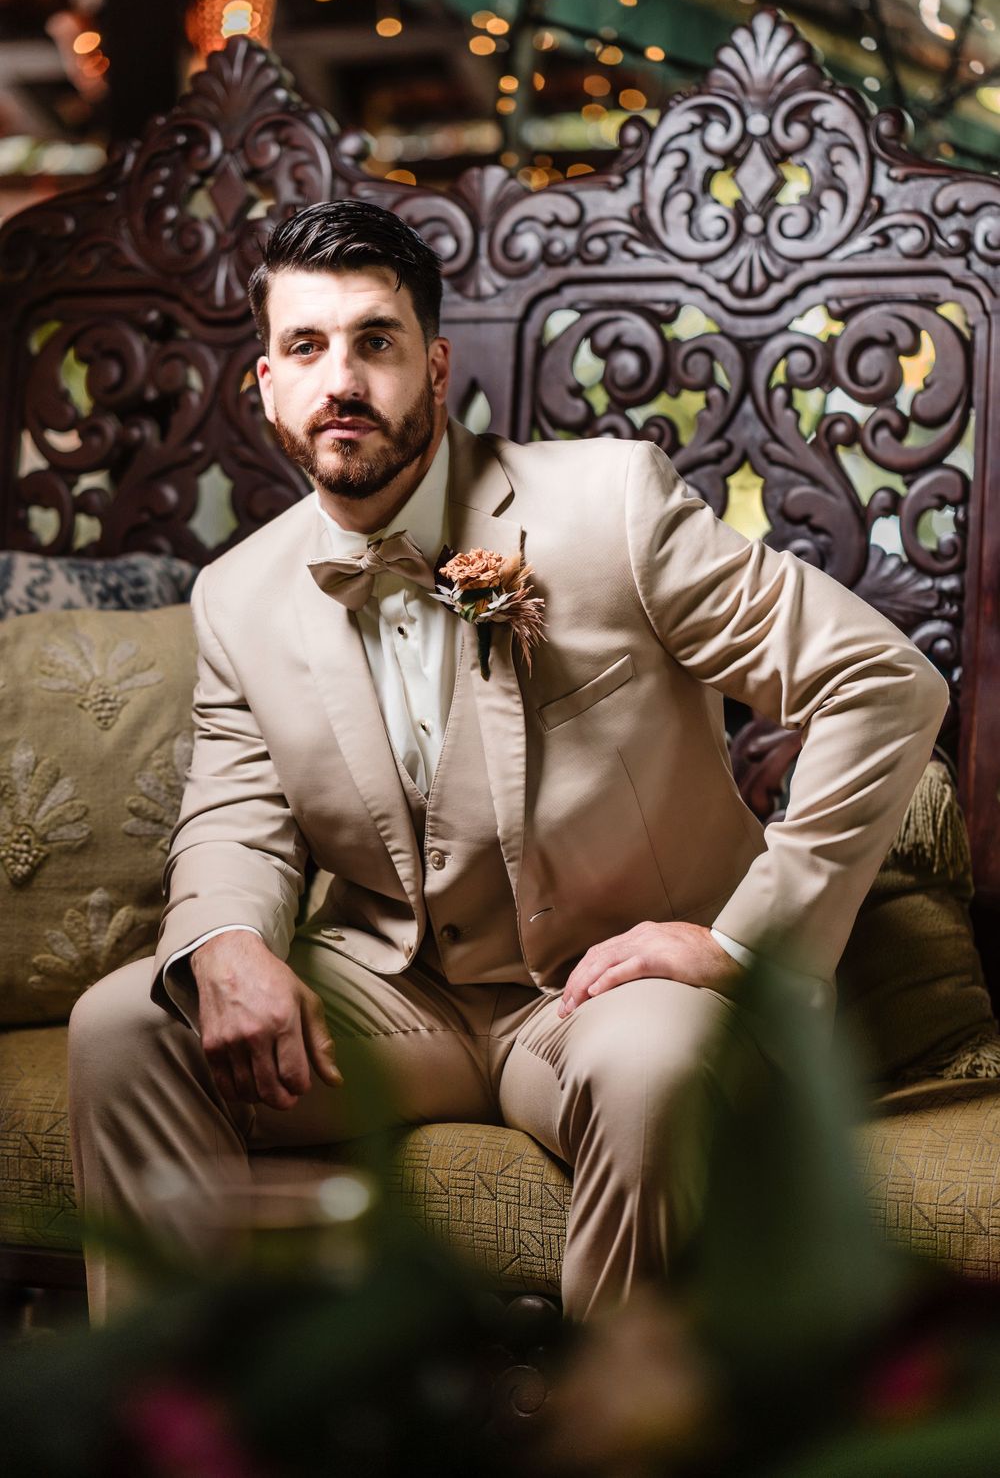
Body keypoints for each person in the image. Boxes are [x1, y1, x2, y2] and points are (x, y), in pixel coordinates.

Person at [68, 200, 949, 1325]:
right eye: (306, 347)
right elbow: (235, 811)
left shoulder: (607, 504)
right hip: (402, 994)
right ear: (265, 385)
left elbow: (883, 681)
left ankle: (619, 1433)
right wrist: (227, 939)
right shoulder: (239, 594)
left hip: (613, 991)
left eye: (374, 342)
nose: (341, 379)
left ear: (434, 367)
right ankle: (172, 1425)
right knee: (129, 1028)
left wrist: (740, 944)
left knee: (656, 1069)